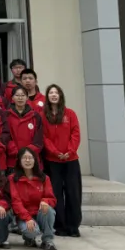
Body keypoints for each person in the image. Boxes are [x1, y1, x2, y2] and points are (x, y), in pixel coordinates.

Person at [41, 84, 82, 237]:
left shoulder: (70, 114)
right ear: (47, 96)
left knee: (73, 193)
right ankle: (60, 226)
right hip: (53, 161)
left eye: (56, 92)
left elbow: (75, 134)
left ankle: (73, 226)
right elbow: (44, 137)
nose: (53, 95)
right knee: (56, 193)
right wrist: (56, 152)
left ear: (60, 96)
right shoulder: (43, 116)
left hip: (71, 160)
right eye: (51, 92)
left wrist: (69, 151)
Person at [10, 147, 58, 250]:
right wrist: (27, 218)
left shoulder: (44, 178)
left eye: (30, 158)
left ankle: (47, 240)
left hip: (40, 213)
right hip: (24, 216)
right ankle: (29, 238)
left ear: (35, 160)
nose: (27, 160)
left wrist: (45, 201)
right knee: (32, 231)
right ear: (19, 161)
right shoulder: (13, 179)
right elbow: (16, 202)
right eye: (24, 158)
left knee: (49, 210)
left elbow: (52, 198)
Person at [5, 85, 44, 175]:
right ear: (12, 98)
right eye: (17, 95)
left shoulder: (35, 116)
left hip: (32, 159)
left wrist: (28, 153)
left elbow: (39, 138)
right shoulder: (6, 115)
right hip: (13, 159)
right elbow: (5, 136)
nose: (20, 98)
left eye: (23, 95)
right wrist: (17, 152)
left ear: (27, 97)